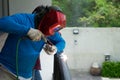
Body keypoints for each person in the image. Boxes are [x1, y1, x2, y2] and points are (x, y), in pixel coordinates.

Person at [0, 5, 66, 80]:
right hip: (6, 71)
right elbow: (2, 23)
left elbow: (61, 42)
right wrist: (27, 31)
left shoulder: (50, 28)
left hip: (27, 75)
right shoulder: (24, 19)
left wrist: (55, 49)